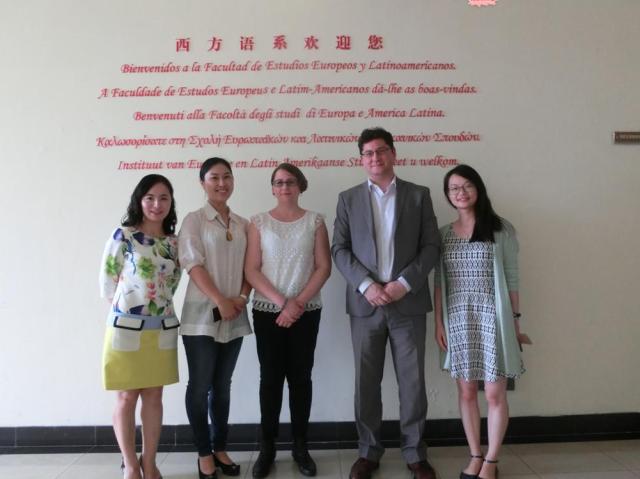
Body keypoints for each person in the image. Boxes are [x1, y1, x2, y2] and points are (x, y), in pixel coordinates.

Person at [331, 127, 441, 479]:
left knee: (412, 383)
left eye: (381, 151)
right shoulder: (348, 199)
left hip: (407, 303)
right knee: (366, 382)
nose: (375, 158)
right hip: (366, 305)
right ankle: (368, 451)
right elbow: (339, 249)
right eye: (368, 153)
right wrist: (367, 286)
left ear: (393, 154)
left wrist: (403, 284)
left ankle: (415, 452)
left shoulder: (418, 195)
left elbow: (431, 246)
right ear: (361, 159)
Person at [434, 164, 528, 479]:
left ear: (478, 188)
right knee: (466, 392)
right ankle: (475, 454)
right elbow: (439, 282)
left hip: (494, 319)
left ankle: (491, 460)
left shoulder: (501, 230)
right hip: (458, 319)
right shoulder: (444, 235)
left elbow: (512, 279)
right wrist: (439, 323)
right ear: (448, 195)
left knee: (493, 394)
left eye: (467, 186)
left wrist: (515, 322)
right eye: (453, 188)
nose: (460, 193)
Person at [244, 163, 331, 478]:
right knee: (269, 380)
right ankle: (267, 448)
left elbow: (323, 267)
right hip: (268, 312)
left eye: (290, 182)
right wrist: (284, 303)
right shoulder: (258, 222)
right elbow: (252, 269)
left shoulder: (315, 221)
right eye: (278, 182)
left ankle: (300, 447)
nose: (284, 187)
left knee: (300, 379)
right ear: (272, 188)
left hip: (306, 312)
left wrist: (298, 303)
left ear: (300, 186)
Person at [100, 174, 182, 479]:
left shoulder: (174, 243)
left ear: (171, 203)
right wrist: (126, 311)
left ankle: (150, 462)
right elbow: (107, 282)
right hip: (126, 327)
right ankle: (131, 465)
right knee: (126, 397)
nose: (156, 204)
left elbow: (172, 284)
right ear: (139, 200)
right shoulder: (124, 236)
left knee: (154, 396)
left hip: (161, 327)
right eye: (150, 198)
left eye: (164, 198)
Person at [179, 157, 252, 479]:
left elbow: (252, 267)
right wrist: (220, 300)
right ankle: (204, 453)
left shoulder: (243, 224)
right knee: (200, 386)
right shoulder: (194, 221)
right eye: (214, 178)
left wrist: (241, 298)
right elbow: (192, 265)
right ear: (202, 183)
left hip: (234, 313)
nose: (222, 183)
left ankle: (220, 447)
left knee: (222, 387)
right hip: (201, 317)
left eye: (227, 177)